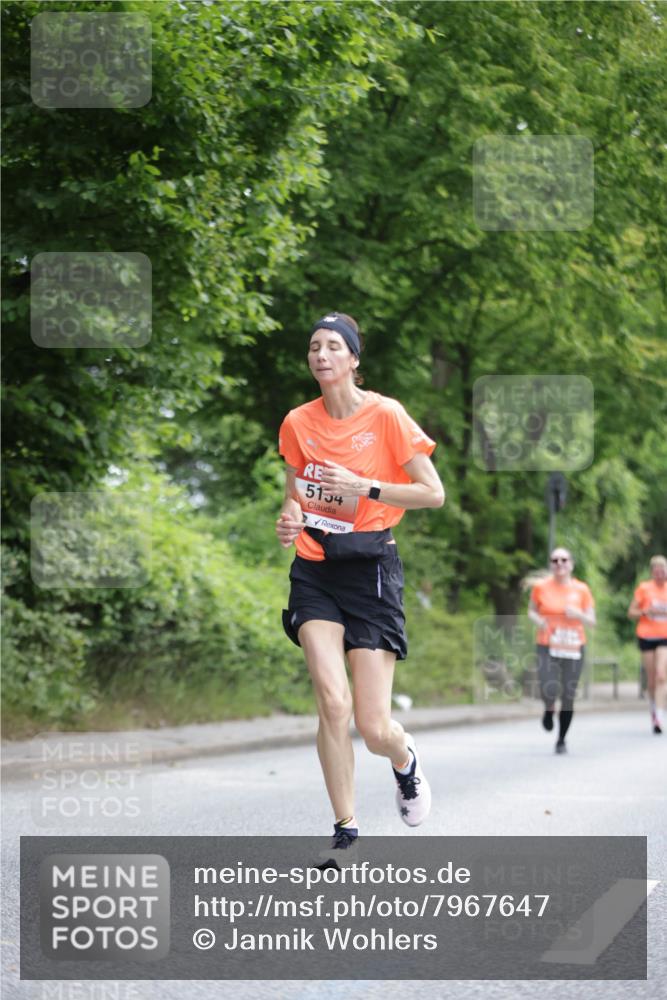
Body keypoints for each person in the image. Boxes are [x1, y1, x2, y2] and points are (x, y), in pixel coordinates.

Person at [276, 311, 445, 864]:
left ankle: (404, 760)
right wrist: (289, 519)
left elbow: (433, 493)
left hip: (371, 569)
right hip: (316, 567)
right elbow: (295, 493)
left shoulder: (386, 415)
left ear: (353, 359)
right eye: (314, 347)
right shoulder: (298, 422)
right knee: (332, 702)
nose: (321, 355)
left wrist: (365, 486)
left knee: (373, 728)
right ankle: (345, 829)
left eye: (332, 346)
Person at [527, 547, 596, 754]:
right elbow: (531, 611)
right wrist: (540, 621)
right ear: (550, 564)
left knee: (568, 694)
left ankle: (561, 739)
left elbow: (592, 621)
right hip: (547, 643)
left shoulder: (582, 589)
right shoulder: (540, 587)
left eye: (564, 560)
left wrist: (578, 614)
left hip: (574, 646)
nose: (559, 564)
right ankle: (549, 708)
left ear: (571, 564)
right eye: (555, 560)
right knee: (547, 685)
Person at [627, 555, 667, 734]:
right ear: (652, 573)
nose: (660, 575)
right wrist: (645, 611)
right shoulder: (644, 588)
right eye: (657, 572)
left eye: (663, 571)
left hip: (665, 636)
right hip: (647, 636)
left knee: (661, 675)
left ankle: (659, 716)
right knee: (651, 680)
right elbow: (631, 612)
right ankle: (653, 709)